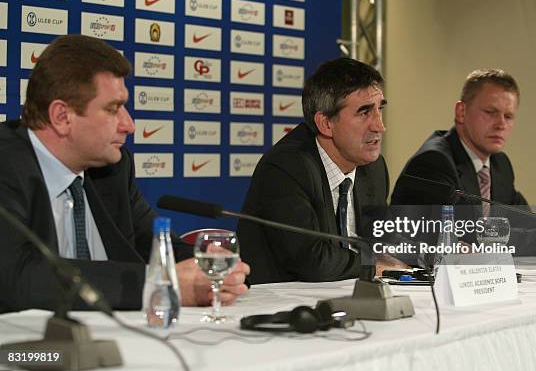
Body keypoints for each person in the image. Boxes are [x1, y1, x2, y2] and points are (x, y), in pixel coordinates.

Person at [0, 34, 249, 313]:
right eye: (113, 108)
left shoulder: (113, 169)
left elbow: (154, 246)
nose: (129, 125)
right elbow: (17, 278)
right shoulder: (7, 164)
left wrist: (212, 266)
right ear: (62, 116)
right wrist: (160, 284)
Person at [238, 57, 401, 284]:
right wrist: (373, 262)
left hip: (348, 296)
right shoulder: (285, 168)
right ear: (326, 124)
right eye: (364, 113)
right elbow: (312, 261)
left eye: (379, 109)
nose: (379, 126)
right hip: (284, 306)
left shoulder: (372, 169)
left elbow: (385, 242)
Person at [391, 69, 536, 252]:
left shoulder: (499, 164)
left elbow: (527, 222)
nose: (501, 124)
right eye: (491, 112)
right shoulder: (434, 162)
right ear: (461, 112)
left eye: (509, 116)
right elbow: (466, 235)